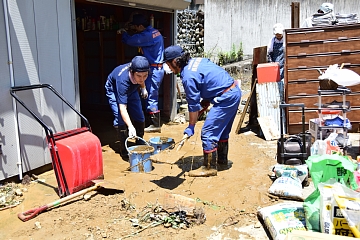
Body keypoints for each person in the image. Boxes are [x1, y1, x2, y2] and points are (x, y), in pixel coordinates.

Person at [162, 45, 242, 177]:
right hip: (233, 92)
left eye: (168, 64)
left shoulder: (187, 76)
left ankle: (209, 167)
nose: (169, 68)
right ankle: (222, 161)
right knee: (221, 131)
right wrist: (206, 100)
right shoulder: (197, 61)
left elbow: (193, 105)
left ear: (175, 61)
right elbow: (209, 79)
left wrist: (191, 126)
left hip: (225, 97)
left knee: (208, 132)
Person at [119, 14, 165, 133]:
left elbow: (131, 41)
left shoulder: (147, 36)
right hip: (156, 68)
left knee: (150, 95)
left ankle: (155, 124)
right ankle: (150, 121)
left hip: (154, 69)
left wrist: (124, 33)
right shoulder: (154, 32)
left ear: (140, 26)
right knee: (149, 94)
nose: (135, 29)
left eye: (135, 27)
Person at [105, 56, 150, 160]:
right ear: (132, 72)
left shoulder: (140, 72)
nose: (142, 78)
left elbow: (141, 76)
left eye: (145, 76)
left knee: (139, 114)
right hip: (114, 89)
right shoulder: (122, 82)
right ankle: (124, 150)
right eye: (139, 76)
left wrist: (143, 88)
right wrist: (130, 126)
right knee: (120, 118)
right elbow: (123, 108)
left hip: (132, 88)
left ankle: (139, 142)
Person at [267, 23, 285, 102]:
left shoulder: (285, 40)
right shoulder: (272, 41)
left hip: (283, 66)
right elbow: (269, 53)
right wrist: (271, 64)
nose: (278, 36)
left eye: (279, 34)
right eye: (277, 34)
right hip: (274, 66)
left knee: (282, 84)